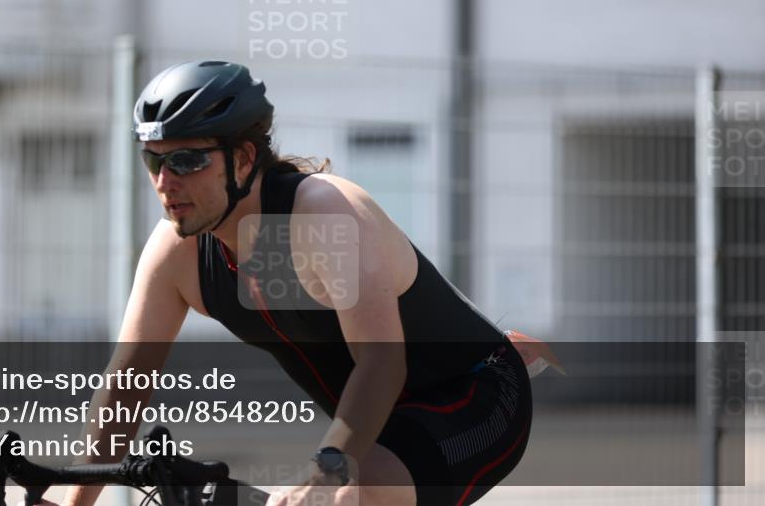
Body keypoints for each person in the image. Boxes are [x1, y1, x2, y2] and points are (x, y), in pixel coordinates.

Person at [55, 60, 534, 506]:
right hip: (378, 422)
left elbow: (383, 361)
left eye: (185, 161)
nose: (165, 182)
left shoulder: (323, 213)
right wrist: (71, 499)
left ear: (243, 159)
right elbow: (126, 385)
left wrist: (325, 472)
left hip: (475, 396)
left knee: (350, 495)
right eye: (153, 162)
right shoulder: (177, 251)